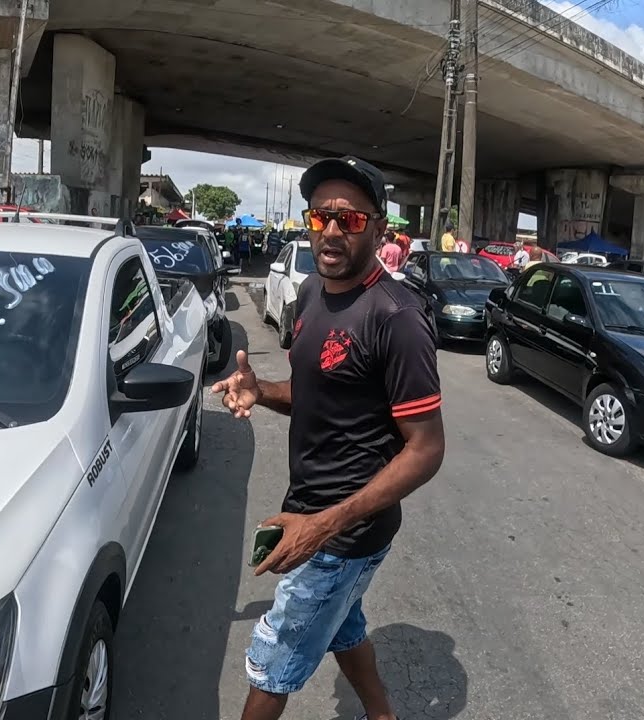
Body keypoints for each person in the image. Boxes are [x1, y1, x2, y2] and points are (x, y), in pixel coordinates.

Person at [213, 155, 445, 720]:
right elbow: (322, 393)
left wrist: (322, 527)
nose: (333, 231)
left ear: (380, 229)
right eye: (320, 218)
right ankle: (383, 716)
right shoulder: (314, 294)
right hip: (313, 512)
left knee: (273, 663)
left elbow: (427, 450)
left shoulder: (397, 318)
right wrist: (262, 390)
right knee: (344, 626)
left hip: (343, 532)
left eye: (351, 220)